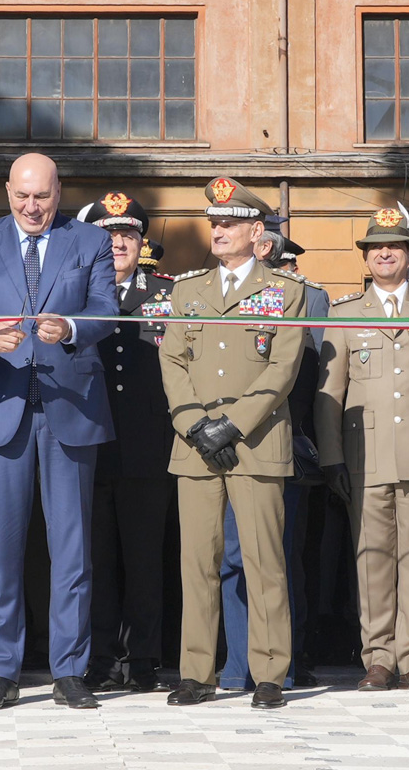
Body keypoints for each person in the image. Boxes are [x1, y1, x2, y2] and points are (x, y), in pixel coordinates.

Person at [0, 152, 117, 712]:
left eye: (41, 196)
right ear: (6, 193)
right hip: (2, 409)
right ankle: (1, 671)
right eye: (21, 196)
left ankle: (70, 670)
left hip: (69, 408)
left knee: (72, 551)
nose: (31, 206)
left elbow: (107, 312)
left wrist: (70, 327)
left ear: (59, 192)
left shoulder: (89, 241)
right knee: (0, 550)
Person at [158, 178, 305, 711]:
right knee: (198, 562)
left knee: (264, 562)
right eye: (214, 222)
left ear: (255, 232)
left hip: (256, 442)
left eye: (228, 223)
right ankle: (196, 671)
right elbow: (172, 360)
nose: (217, 231)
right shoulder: (186, 290)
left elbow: (283, 367)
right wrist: (196, 423)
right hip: (196, 445)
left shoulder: (286, 293)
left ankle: (269, 673)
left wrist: (233, 424)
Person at [314, 207, 409, 692]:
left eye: (394, 246)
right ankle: (379, 658)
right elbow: (329, 397)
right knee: (372, 559)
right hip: (366, 453)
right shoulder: (343, 314)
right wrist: (331, 456)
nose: (384, 253)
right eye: (375, 247)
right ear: (365, 258)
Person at [219, 221, 323, 692]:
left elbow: (309, 380)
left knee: (276, 560)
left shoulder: (302, 298)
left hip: (279, 449)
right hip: (220, 447)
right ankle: (238, 664)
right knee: (233, 560)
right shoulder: (217, 298)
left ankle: (283, 664)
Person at [77, 192, 174, 694]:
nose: (119, 243)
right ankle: (100, 658)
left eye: (129, 235)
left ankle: (144, 658)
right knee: (93, 562)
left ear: (142, 243)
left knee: (144, 560)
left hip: (145, 449)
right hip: (87, 449)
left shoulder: (167, 293)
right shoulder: (73, 294)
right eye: (110, 235)